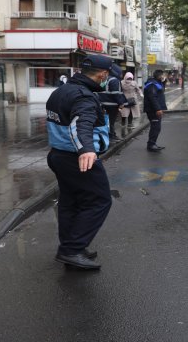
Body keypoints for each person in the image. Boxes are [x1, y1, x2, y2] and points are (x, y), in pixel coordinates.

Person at [45, 54, 113, 270]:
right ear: (103, 74)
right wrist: (86, 149)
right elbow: (80, 124)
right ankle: (72, 249)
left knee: (70, 202)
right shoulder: (83, 96)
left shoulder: (61, 91)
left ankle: (70, 247)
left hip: (58, 155)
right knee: (100, 200)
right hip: (78, 159)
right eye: (107, 75)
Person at [97, 63, 127, 141]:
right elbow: (116, 93)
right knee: (111, 121)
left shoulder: (103, 79)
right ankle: (111, 136)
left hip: (102, 104)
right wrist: (121, 103)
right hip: (112, 105)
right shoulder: (114, 80)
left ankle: (105, 135)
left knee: (104, 120)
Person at [143, 69, 167, 152]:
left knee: (156, 127)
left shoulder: (156, 83)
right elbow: (152, 97)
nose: (164, 77)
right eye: (163, 75)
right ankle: (151, 145)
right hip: (153, 110)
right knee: (155, 127)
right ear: (159, 76)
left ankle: (152, 143)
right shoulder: (152, 84)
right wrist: (158, 109)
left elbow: (161, 90)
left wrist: (164, 82)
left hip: (154, 109)